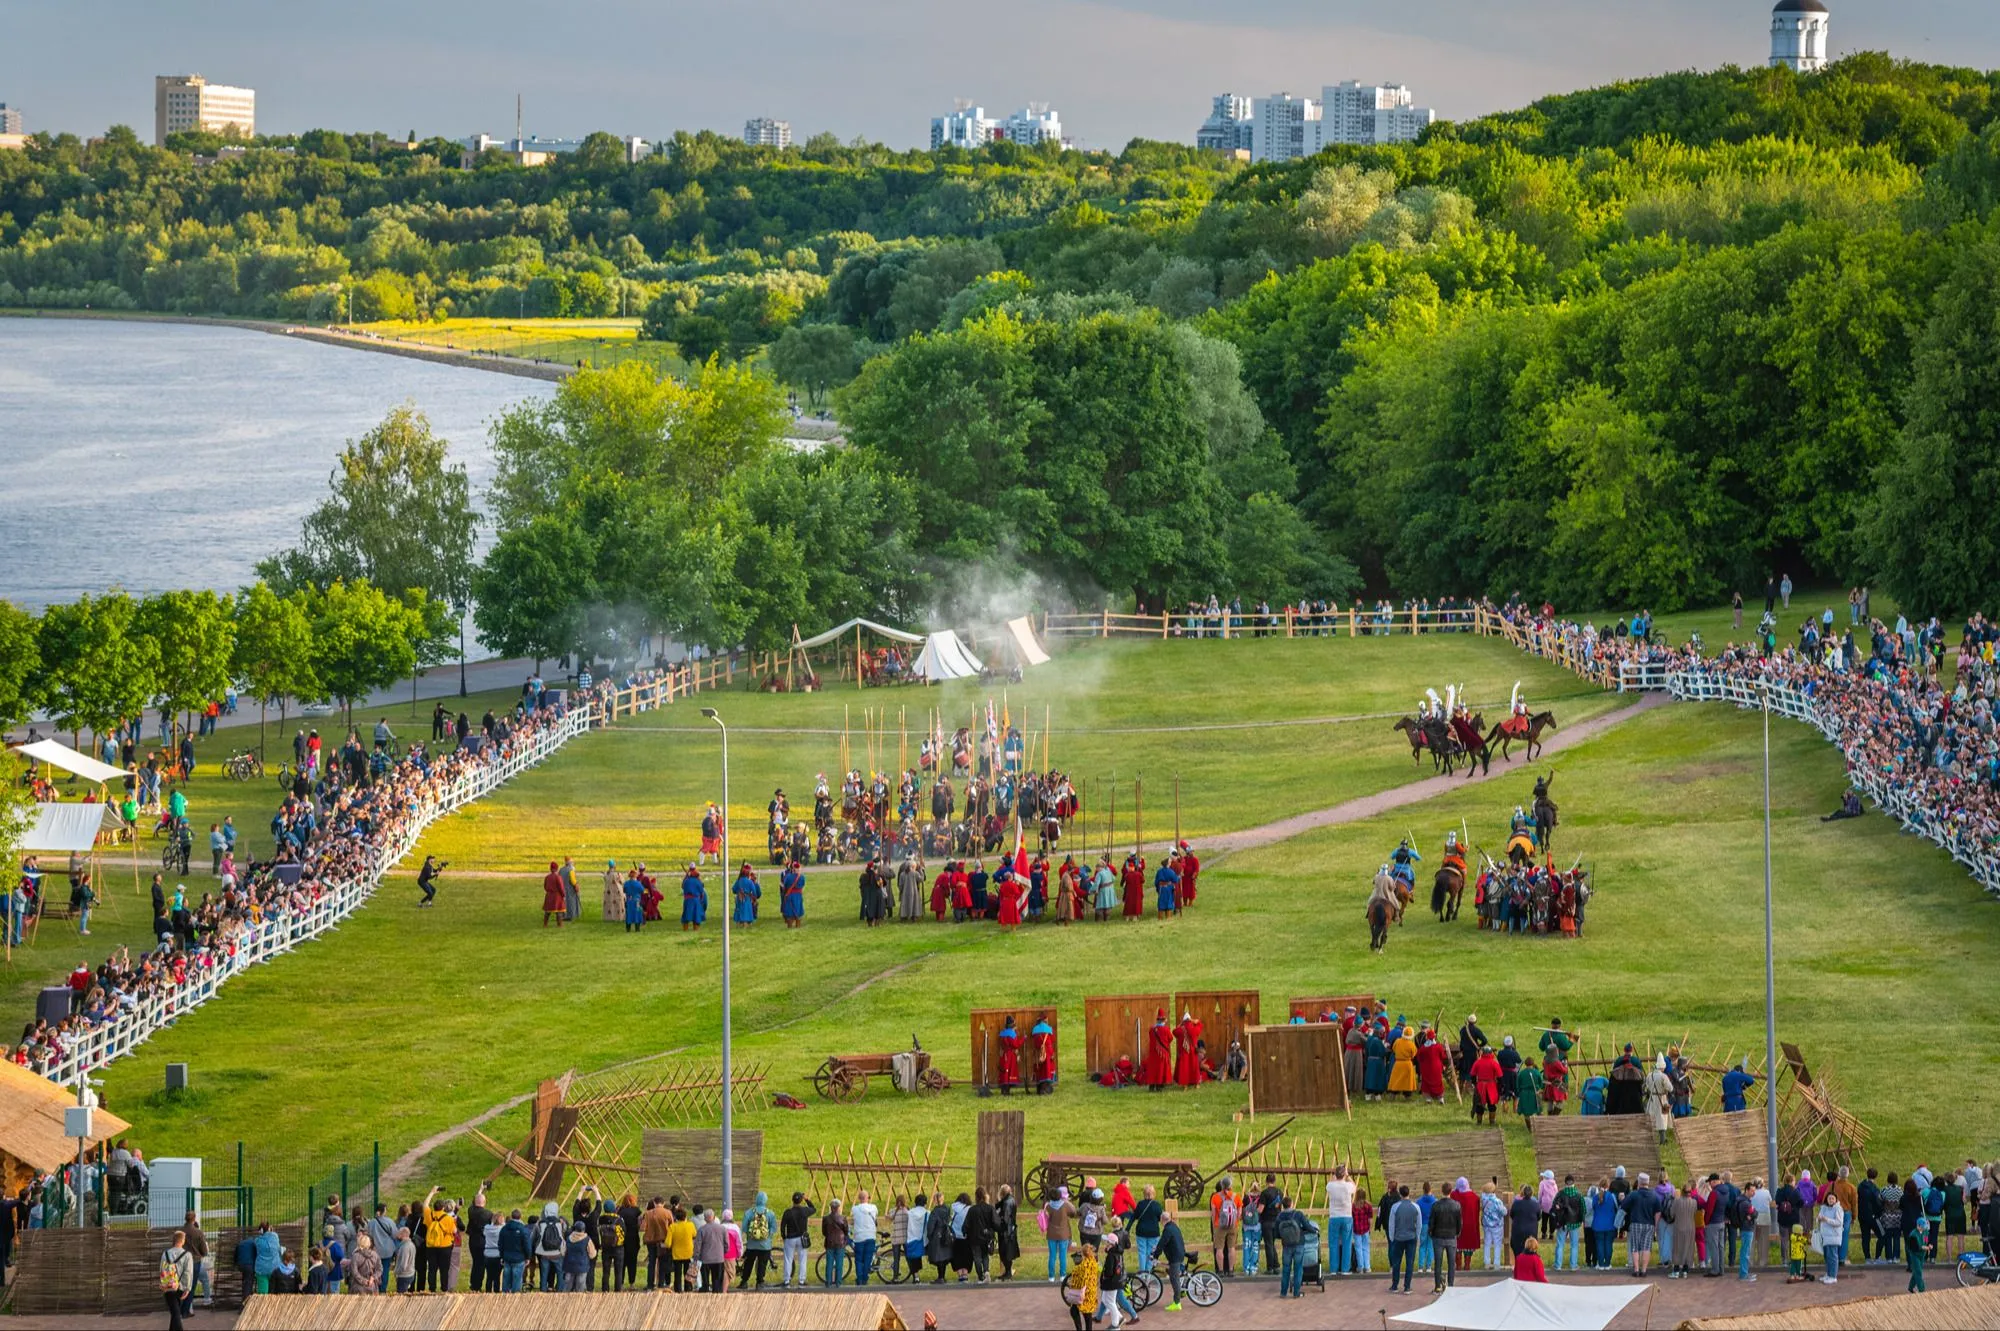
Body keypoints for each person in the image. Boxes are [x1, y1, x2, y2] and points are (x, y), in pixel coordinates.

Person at [1276, 1193, 1314, 1299]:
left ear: (1283, 1205)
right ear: (1292, 1204)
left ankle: (1283, 1292)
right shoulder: (1298, 1214)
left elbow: (1276, 1232)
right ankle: (1296, 1293)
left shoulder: (1280, 1216)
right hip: (1299, 1244)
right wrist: (1313, 1231)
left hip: (1286, 1245)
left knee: (1286, 1269)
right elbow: (1307, 1225)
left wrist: (1284, 1237)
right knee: (1298, 1268)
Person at [740, 1192, 777, 1288]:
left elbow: (744, 1228)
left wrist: (751, 1234)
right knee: (762, 1264)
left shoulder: (749, 1212)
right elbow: (773, 1228)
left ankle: (744, 1282)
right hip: (765, 1245)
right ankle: (760, 1282)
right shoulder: (770, 1213)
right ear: (766, 1200)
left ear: (756, 1200)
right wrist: (767, 1235)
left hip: (751, 1244)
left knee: (748, 1263)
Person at [779, 1191, 815, 1289]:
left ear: (792, 1200)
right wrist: (807, 1199)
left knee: (788, 1259)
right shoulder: (804, 1210)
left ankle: (787, 1280)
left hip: (790, 1238)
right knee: (802, 1259)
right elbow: (813, 1209)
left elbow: (782, 1226)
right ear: (800, 1201)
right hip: (802, 1238)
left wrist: (784, 1237)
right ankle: (801, 1280)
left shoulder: (788, 1212)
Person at [160, 1230, 194, 1331]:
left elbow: (162, 1269)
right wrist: (187, 1288)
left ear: (174, 1240)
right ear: (182, 1241)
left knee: (175, 1312)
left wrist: (162, 1283)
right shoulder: (187, 1255)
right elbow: (188, 1272)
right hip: (179, 1286)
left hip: (167, 1286)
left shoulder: (165, 1253)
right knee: (176, 1313)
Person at [1430, 1183, 1461, 1293]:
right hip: (1451, 1236)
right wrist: (1457, 1233)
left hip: (1438, 1237)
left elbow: (1431, 1223)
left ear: (1441, 1191)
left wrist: (1432, 1233)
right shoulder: (1456, 1205)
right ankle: (1451, 1285)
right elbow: (1459, 1223)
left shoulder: (1436, 1205)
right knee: (1451, 1263)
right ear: (1451, 1191)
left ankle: (1437, 1286)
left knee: (1438, 1262)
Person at [1325, 1166, 1356, 1277]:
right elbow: (1355, 1187)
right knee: (1347, 1243)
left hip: (1334, 1216)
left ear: (1335, 1175)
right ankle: (1345, 1269)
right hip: (1346, 1216)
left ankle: (1333, 1269)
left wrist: (1334, 1177)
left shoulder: (1330, 1186)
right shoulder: (1348, 1186)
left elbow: (1329, 1185)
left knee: (1333, 1243)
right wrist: (1348, 1176)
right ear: (1344, 1175)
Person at [1043, 1187, 1075, 1281]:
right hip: (1063, 1234)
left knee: (1052, 1256)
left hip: (1051, 1234)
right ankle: (1062, 1276)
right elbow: (1073, 1211)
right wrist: (1067, 1201)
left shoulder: (1048, 1206)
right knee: (1063, 1256)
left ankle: (1051, 1276)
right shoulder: (1065, 1205)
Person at [1816, 1191, 1846, 1283]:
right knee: (1827, 1256)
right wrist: (1819, 1219)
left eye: (1833, 1198)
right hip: (1825, 1237)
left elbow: (1839, 1222)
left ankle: (1833, 1276)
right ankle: (1828, 1274)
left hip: (1834, 1237)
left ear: (1836, 1200)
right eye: (1829, 1198)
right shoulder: (1824, 1208)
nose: (1831, 1200)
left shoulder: (1838, 1209)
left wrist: (1827, 1219)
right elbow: (1819, 1218)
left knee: (1833, 1257)